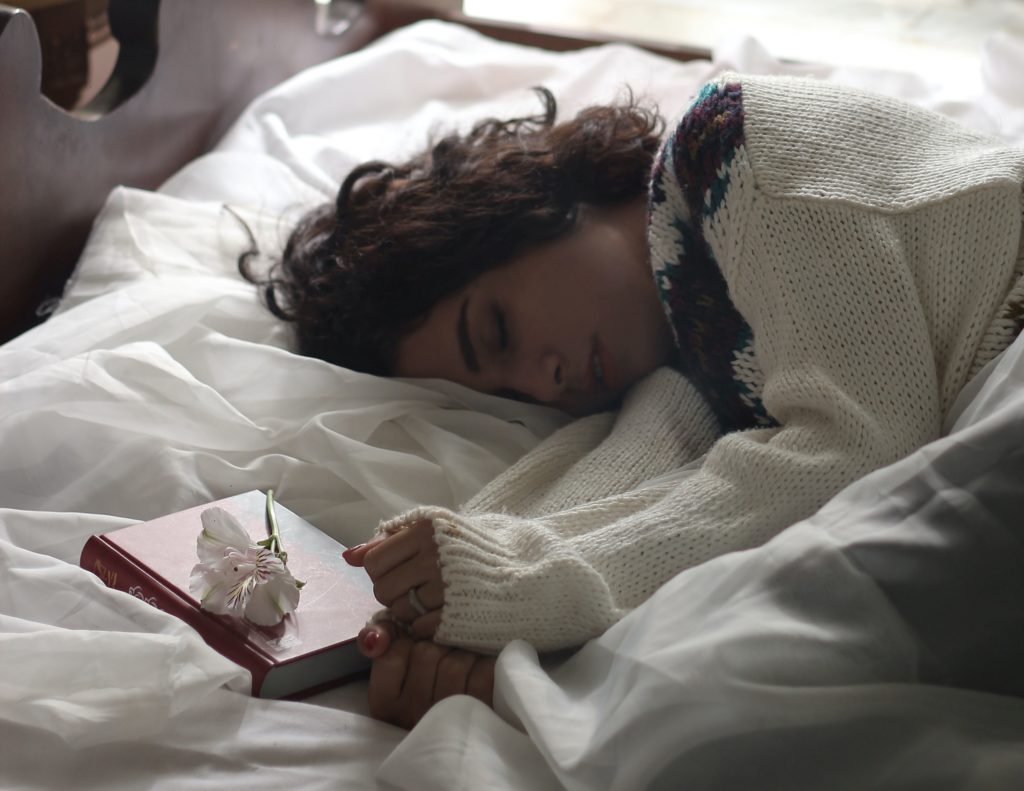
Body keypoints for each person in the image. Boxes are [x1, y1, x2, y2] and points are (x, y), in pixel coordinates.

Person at [245, 72, 1024, 728]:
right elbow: (639, 467)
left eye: (499, 329)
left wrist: (532, 590)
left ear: (528, 206)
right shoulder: (689, 341)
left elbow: (856, 445)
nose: (544, 380)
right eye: (509, 390)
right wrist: (439, 602)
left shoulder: (730, 154)